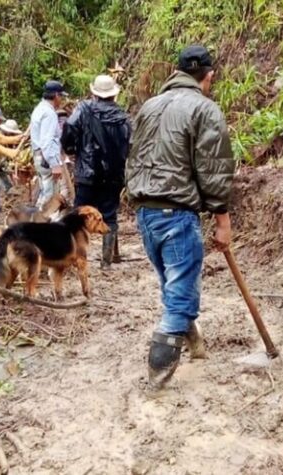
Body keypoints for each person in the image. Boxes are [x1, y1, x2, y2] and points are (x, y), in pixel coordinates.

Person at [126, 45, 236, 388]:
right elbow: (214, 168)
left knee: (173, 286)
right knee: (180, 298)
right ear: (209, 75)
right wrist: (222, 219)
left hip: (145, 212)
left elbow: (134, 157)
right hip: (176, 214)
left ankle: (196, 345)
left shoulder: (149, 106)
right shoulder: (205, 109)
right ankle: (158, 378)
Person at [61, 75, 131, 269]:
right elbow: (129, 145)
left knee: (79, 214)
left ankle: (75, 256)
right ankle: (107, 261)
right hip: (113, 176)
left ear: (94, 93)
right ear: (114, 95)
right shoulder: (123, 117)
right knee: (109, 214)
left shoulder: (83, 110)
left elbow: (68, 131)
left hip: (87, 173)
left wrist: (72, 151)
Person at [31, 80, 68, 208]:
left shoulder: (39, 109)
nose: (61, 100)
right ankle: (41, 225)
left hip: (39, 155)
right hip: (46, 158)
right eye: (61, 96)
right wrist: (54, 164)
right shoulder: (49, 113)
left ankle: (35, 223)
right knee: (49, 196)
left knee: (44, 192)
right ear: (56, 95)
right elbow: (47, 141)